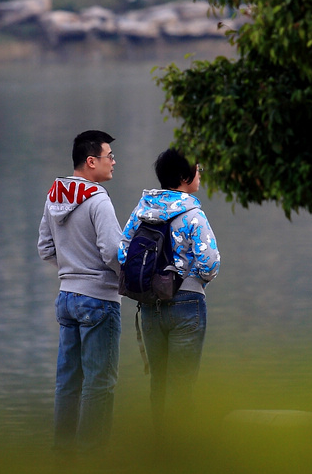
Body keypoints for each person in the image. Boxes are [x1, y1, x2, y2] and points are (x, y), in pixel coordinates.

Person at [118, 148, 220, 438]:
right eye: (198, 170)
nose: (200, 175)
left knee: (158, 384)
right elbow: (210, 264)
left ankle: (160, 452)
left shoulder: (141, 211)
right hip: (187, 304)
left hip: (150, 306)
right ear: (184, 177)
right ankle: (182, 455)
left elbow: (123, 253)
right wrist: (194, 279)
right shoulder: (193, 214)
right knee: (182, 384)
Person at [37, 130, 123, 454]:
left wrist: (71, 265)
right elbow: (114, 252)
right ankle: (92, 460)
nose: (113, 162)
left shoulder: (53, 196)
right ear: (91, 162)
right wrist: (124, 278)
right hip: (99, 300)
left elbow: (45, 248)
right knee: (100, 383)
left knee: (68, 383)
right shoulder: (98, 200)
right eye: (109, 156)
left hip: (66, 299)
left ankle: (64, 458)